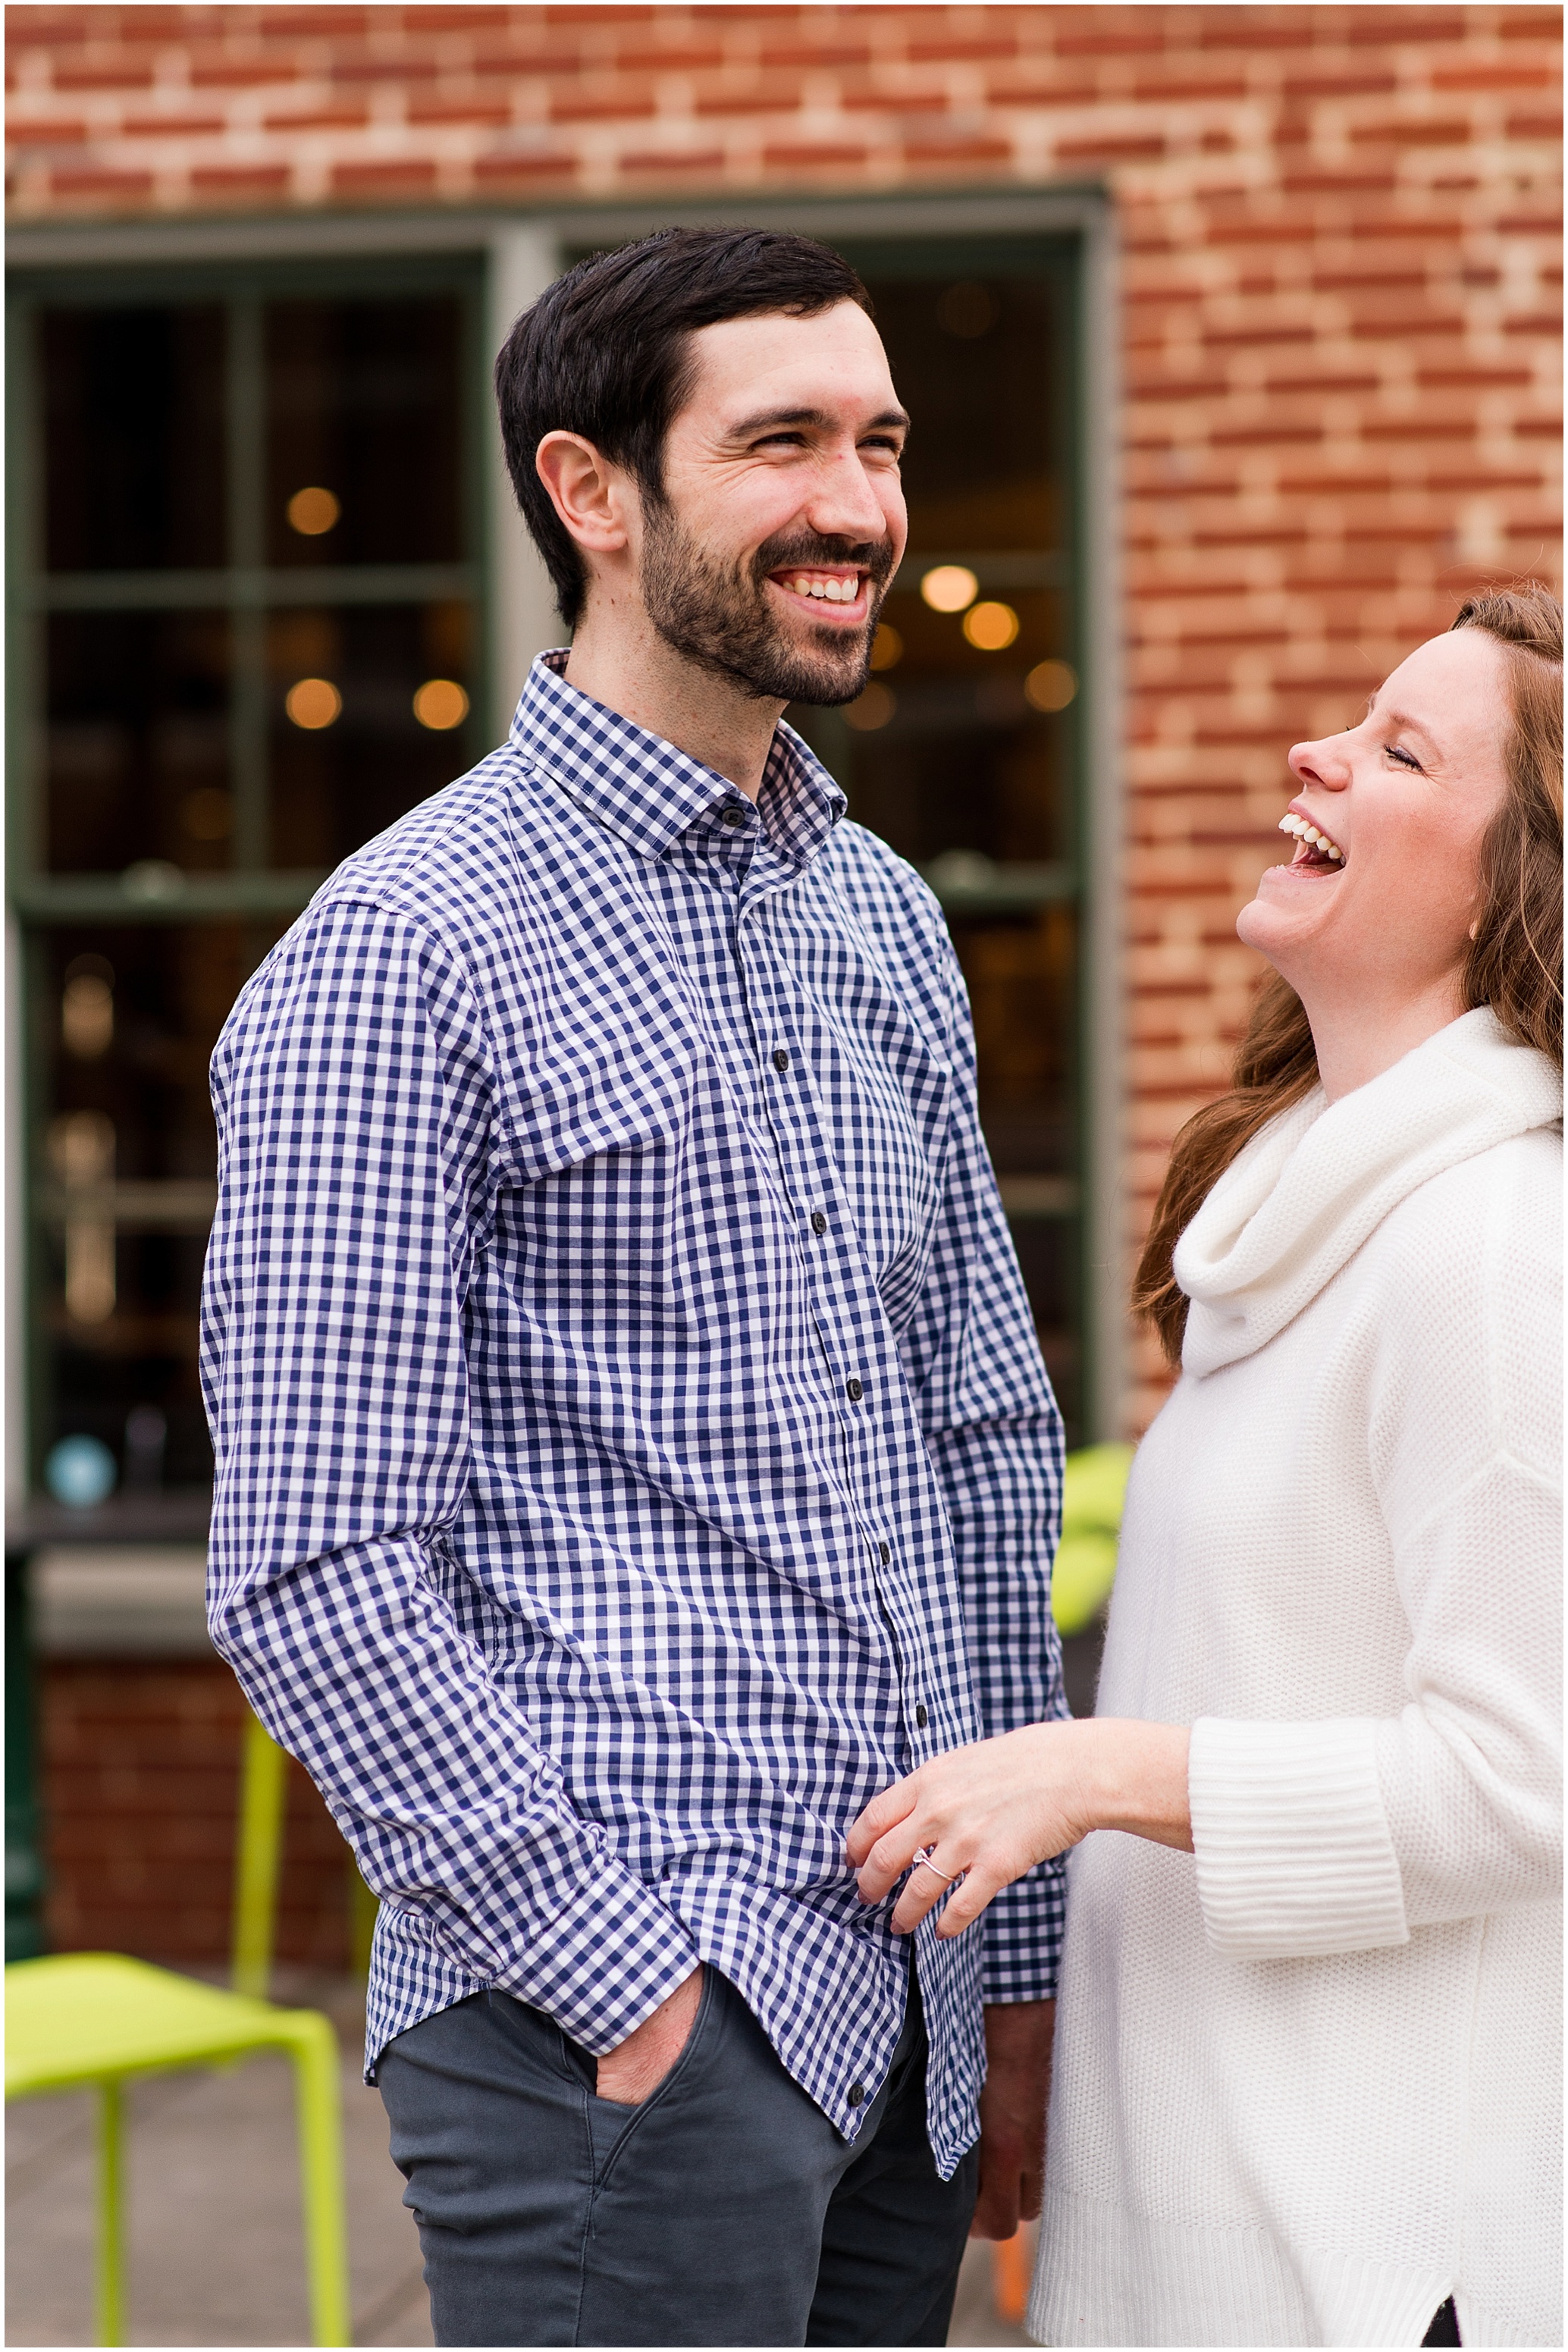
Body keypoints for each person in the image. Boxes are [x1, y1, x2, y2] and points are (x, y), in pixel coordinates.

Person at [200, 227, 1068, 2349]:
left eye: (875, 440)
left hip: (913, 2006)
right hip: (625, 2030)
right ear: (593, 491)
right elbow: (314, 1559)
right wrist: (626, 1977)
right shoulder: (400, 953)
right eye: (780, 442)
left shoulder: (876, 916)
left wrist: (1021, 1968)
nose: (858, 504)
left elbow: (975, 1446)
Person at [849, 586, 1563, 2348]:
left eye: (1399, 748)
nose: (1314, 749)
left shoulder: (1488, 1247)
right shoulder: (1296, 1216)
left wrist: (1096, 1771)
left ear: (1507, 888)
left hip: (1378, 2268)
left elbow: (1521, 1785)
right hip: (1196, 2222)